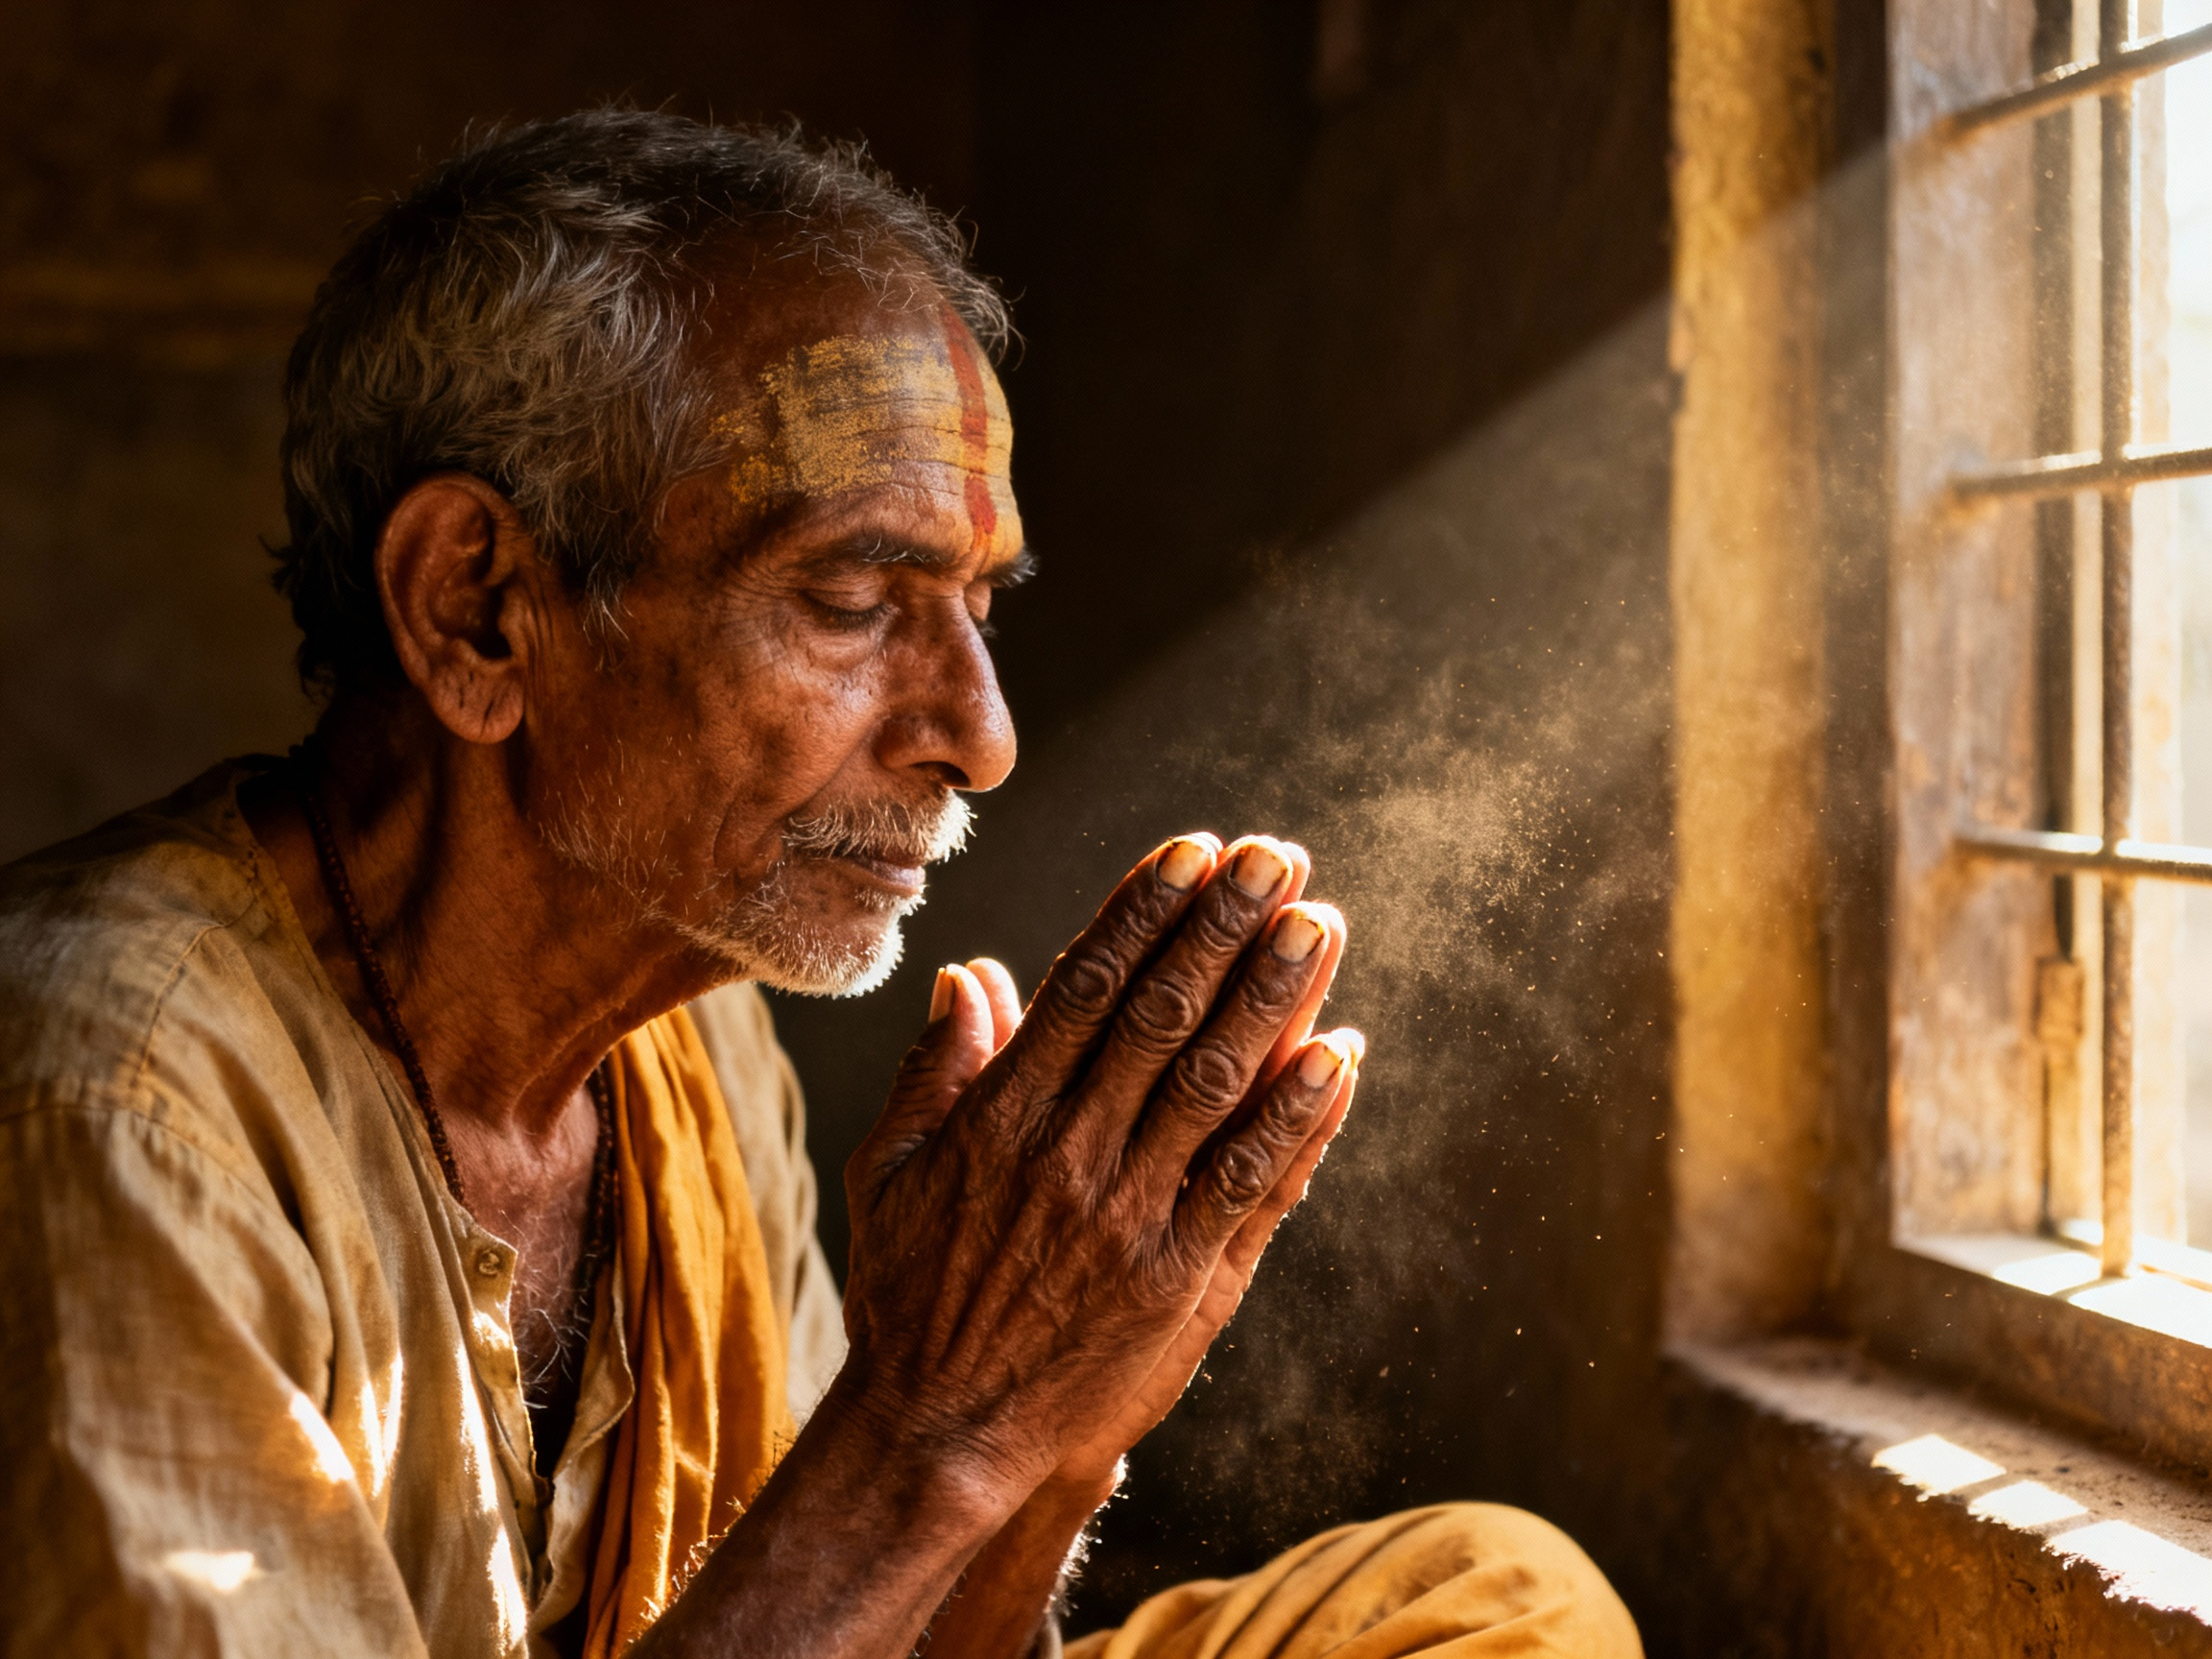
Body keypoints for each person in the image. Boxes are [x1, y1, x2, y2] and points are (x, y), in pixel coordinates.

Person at [0, 111, 1642, 1659]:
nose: (983, 740)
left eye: (977, 604)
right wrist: (930, 1426)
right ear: (479, 609)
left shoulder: (685, 1033)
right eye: (856, 597)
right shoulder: (115, 1100)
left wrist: (1044, 1440)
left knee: (1494, 1600)